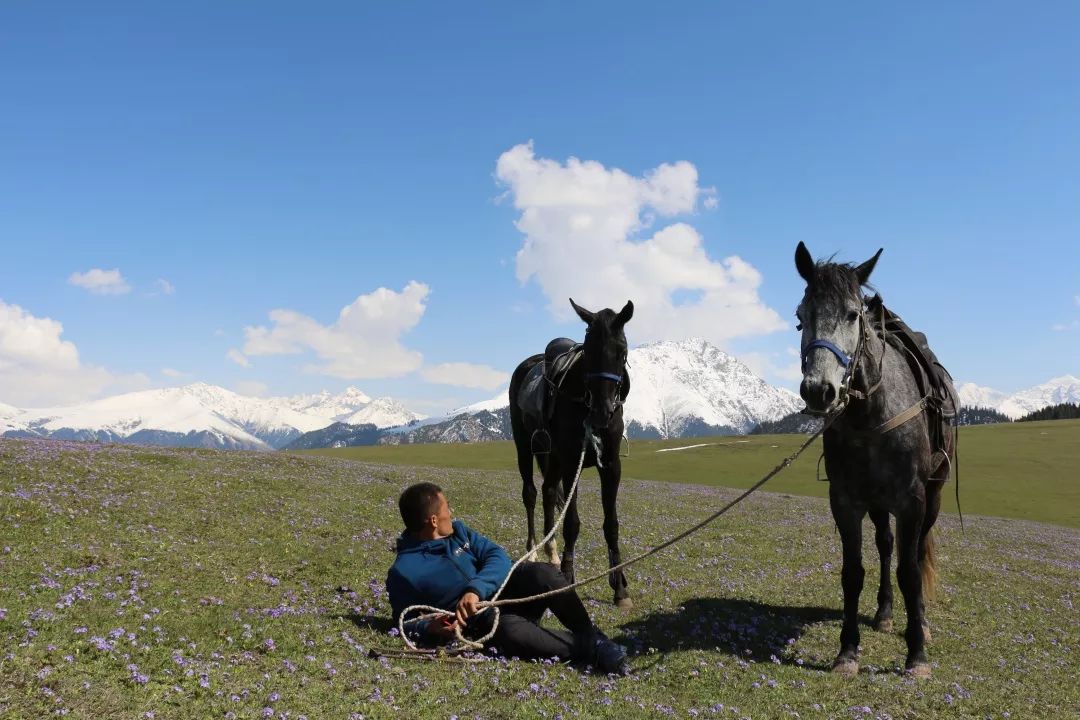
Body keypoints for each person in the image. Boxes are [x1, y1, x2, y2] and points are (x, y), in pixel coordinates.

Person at [386, 482, 630, 675]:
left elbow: (497, 556)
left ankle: (591, 634)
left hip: (508, 589)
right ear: (433, 521)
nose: (451, 512)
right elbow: (402, 619)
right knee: (511, 633)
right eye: (446, 507)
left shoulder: (459, 532)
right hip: (486, 620)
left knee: (543, 572)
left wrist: (475, 589)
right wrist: (429, 626)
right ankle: (594, 648)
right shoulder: (404, 571)